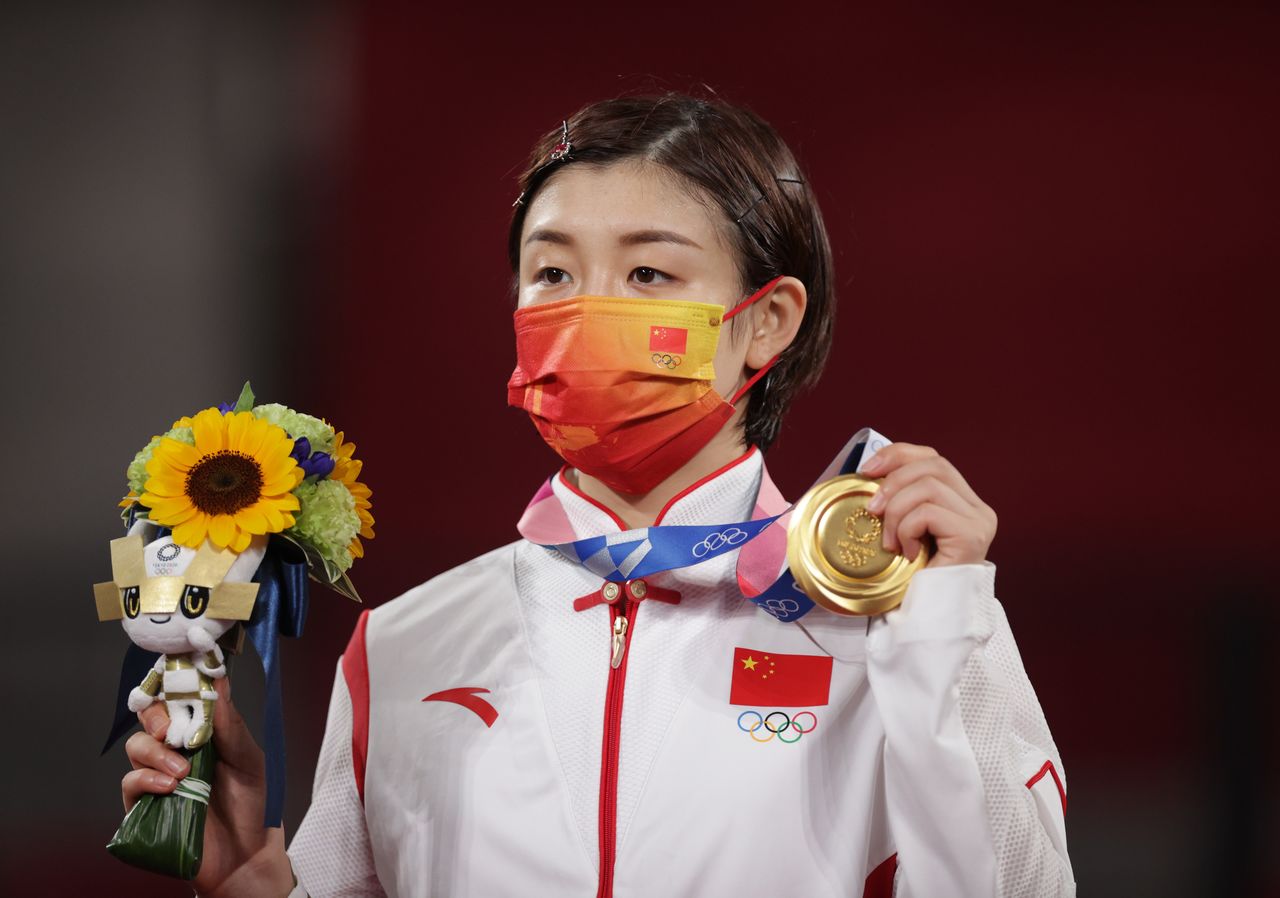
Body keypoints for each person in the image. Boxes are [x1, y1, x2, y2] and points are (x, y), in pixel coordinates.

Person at [121, 93, 1075, 897]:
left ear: (767, 323)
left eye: (648, 272)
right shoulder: (404, 645)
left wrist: (943, 622)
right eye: (552, 272)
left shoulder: (901, 621)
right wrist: (254, 879)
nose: (583, 311)